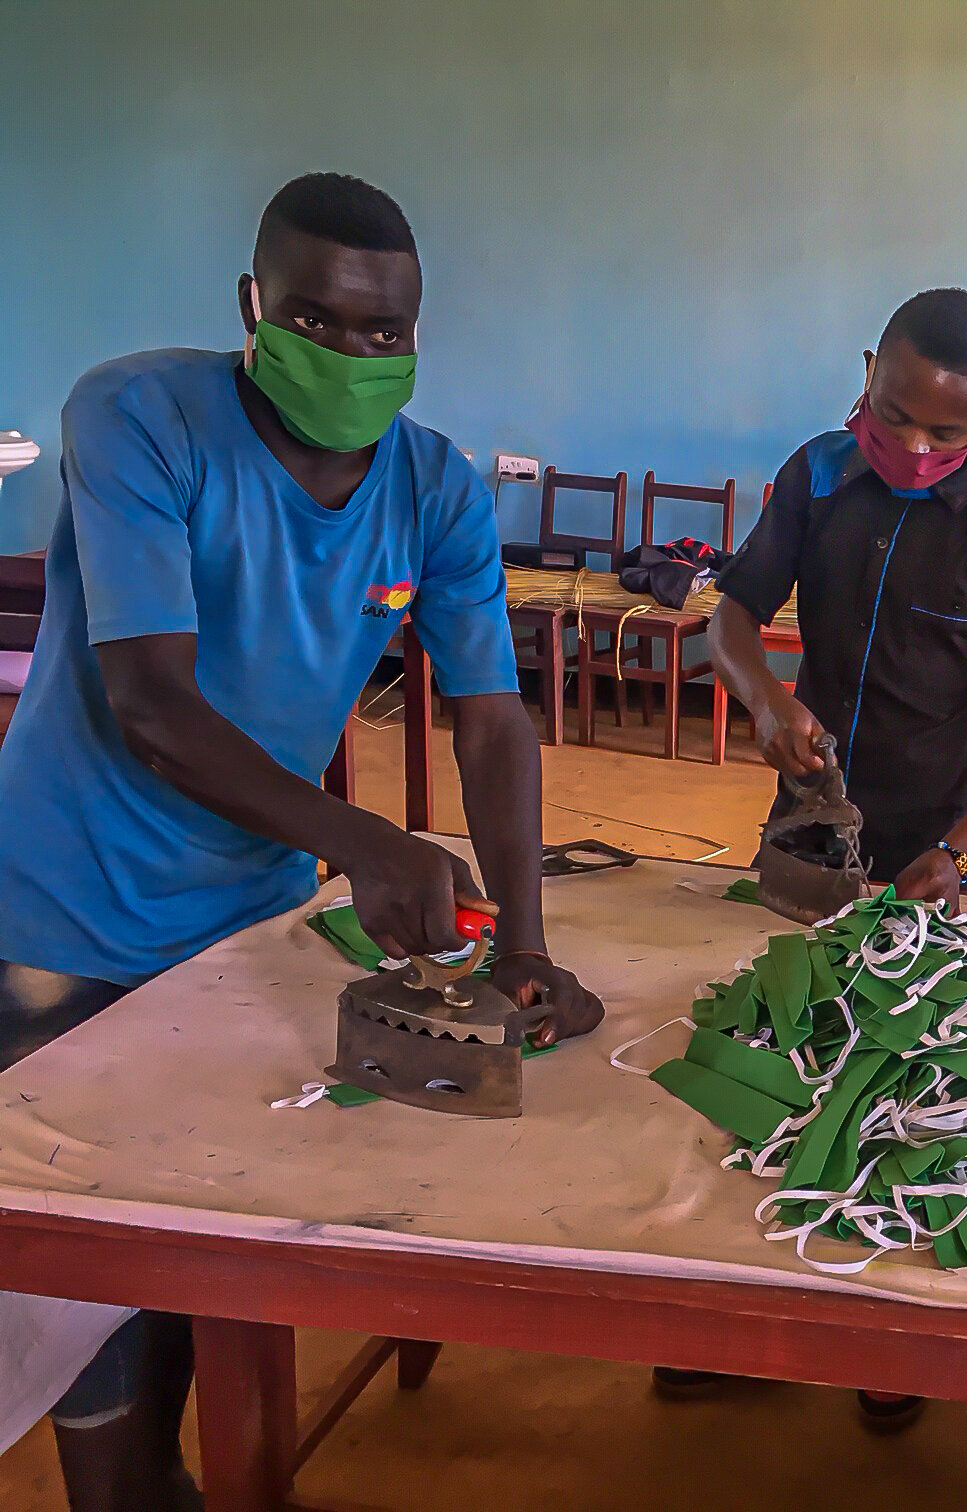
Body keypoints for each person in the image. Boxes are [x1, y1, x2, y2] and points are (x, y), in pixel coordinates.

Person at [0, 172, 602, 1509]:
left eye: (388, 332)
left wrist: (526, 941)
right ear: (253, 307)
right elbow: (152, 702)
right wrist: (367, 842)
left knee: (211, 1228)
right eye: (322, 322)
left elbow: (493, 722)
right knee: (85, 1281)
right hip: (67, 911)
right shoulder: (139, 416)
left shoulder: (434, 488)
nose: (357, 355)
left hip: (243, 917)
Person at [710, 287, 967, 909]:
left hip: (927, 850)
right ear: (870, 370)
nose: (914, 448)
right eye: (896, 416)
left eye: (945, 432)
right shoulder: (816, 475)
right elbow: (732, 618)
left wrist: (960, 854)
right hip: (803, 825)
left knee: (904, 993)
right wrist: (767, 701)